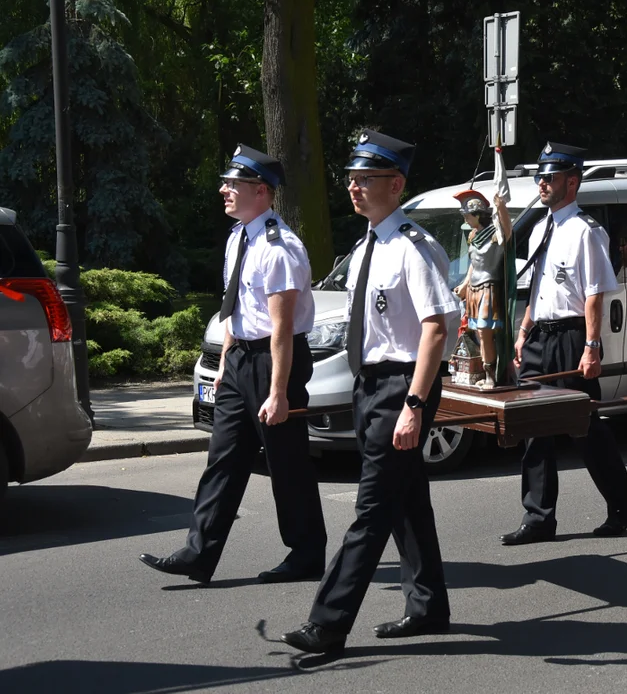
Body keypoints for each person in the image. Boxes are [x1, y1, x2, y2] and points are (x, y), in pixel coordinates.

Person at [282, 130, 457, 653]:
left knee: (372, 507)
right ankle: (429, 607)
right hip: (370, 385)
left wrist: (415, 406)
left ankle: (328, 623)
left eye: (367, 179)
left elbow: (436, 330)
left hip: (403, 386)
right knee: (407, 502)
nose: (354, 187)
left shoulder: (412, 247)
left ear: (396, 184)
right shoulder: (367, 246)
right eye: (352, 179)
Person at [140, 145, 327, 585]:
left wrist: (278, 391)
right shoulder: (238, 237)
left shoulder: (280, 247)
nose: (224, 189)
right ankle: (198, 553)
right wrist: (226, 360)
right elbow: (237, 311)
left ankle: (306, 554)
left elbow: (281, 328)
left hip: (273, 361)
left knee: (287, 462)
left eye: (233, 184)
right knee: (222, 459)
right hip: (242, 358)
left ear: (260, 191)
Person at [503, 141, 627, 546]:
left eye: (551, 177)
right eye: (540, 177)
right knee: (532, 427)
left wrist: (592, 346)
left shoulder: (586, 231)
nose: (542, 183)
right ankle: (539, 516)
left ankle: (622, 503)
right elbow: (539, 288)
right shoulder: (543, 227)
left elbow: (595, 293)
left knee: (583, 427)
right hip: (540, 336)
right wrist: (523, 329)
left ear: (572, 181)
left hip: (571, 335)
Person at [452, 189, 512, 388]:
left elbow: (507, 229)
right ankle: (481, 371)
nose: (466, 219)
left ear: (478, 215)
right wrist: (464, 284)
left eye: (467, 215)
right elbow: (473, 263)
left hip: (488, 287)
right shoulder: (472, 235)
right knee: (477, 333)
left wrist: (501, 206)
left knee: (485, 333)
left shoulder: (496, 235)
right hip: (474, 288)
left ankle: (491, 375)